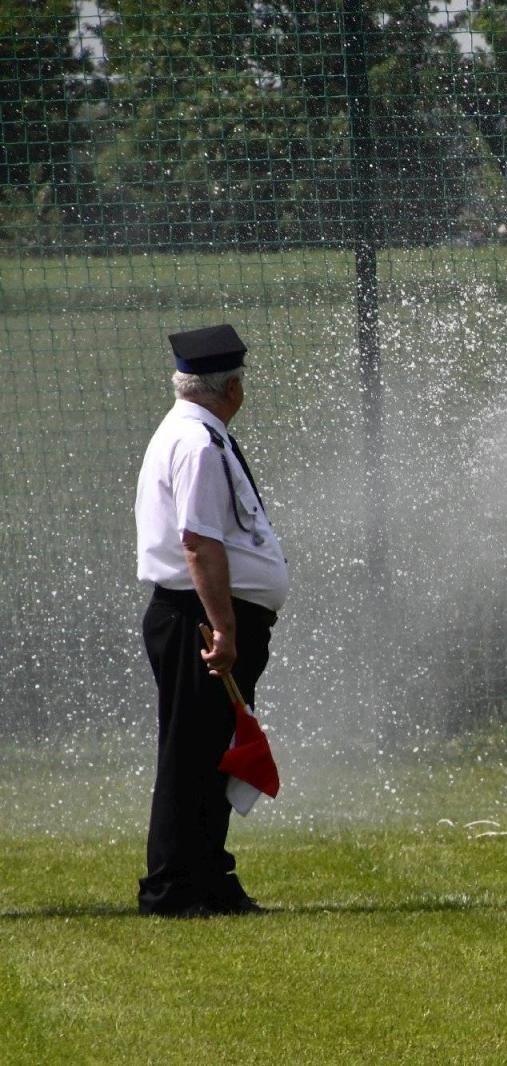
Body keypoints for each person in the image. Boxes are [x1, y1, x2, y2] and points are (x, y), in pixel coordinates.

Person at [135, 324, 288, 917]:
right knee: (191, 754)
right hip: (199, 618)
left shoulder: (196, 434)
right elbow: (198, 543)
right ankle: (173, 888)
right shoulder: (197, 444)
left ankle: (208, 878)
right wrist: (223, 627)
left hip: (207, 614)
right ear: (231, 388)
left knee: (214, 750)